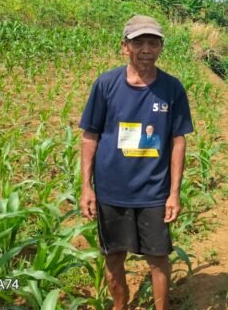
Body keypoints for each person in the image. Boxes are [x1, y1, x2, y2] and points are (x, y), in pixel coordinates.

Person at [79, 15, 193, 310]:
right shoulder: (105, 85)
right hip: (111, 190)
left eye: (153, 43)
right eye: (138, 42)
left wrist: (174, 192)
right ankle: (120, 304)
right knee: (114, 254)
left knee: (158, 257)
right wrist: (86, 187)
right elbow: (90, 136)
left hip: (153, 191)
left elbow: (178, 141)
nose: (146, 49)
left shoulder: (172, 88)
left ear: (160, 48)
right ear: (124, 47)